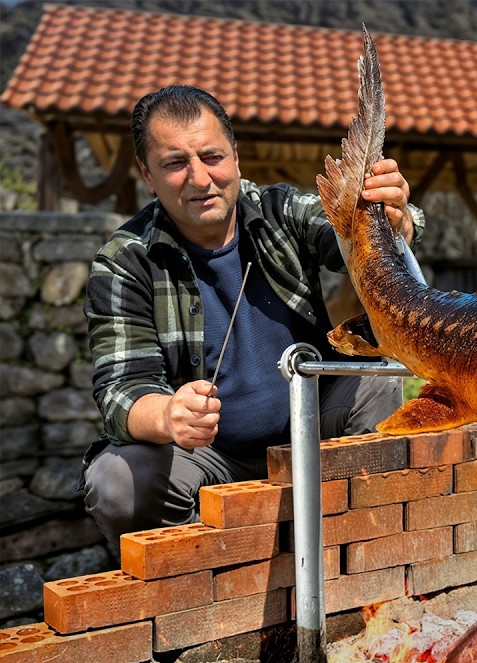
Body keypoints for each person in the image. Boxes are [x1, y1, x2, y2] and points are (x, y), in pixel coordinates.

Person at [81, 84, 424, 553]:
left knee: (377, 383)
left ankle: (361, 551)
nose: (200, 178)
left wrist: (393, 219)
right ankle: (201, 586)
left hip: (313, 428)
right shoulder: (125, 260)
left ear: (236, 157)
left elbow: (346, 230)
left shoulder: (280, 211)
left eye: (211, 156)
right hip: (206, 458)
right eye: (176, 164)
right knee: (116, 481)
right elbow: (121, 390)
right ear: (148, 174)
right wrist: (167, 413)